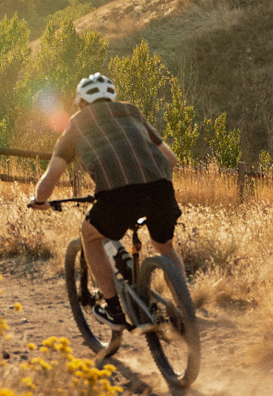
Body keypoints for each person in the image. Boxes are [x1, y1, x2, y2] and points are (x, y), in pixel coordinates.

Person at [29, 72, 184, 330]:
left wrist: (39, 200)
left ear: (81, 103)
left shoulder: (75, 124)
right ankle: (185, 313)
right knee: (165, 247)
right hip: (161, 188)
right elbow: (171, 159)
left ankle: (114, 311)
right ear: (111, 97)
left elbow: (50, 177)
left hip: (117, 194)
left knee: (89, 236)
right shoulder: (132, 112)